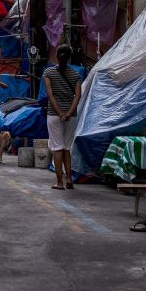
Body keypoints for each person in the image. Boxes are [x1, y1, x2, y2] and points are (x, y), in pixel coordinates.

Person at [42, 44, 82, 190]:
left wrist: (59, 112)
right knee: (67, 148)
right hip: (71, 116)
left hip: (54, 115)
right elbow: (78, 96)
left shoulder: (48, 73)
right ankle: (69, 179)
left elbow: (50, 94)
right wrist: (69, 112)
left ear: (56, 56)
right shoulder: (76, 75)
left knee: (57, 148)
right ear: (69, 56)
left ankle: (59, 182)